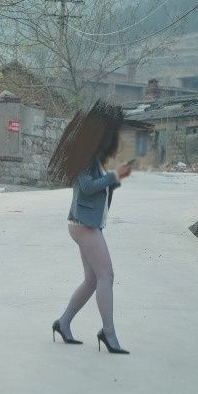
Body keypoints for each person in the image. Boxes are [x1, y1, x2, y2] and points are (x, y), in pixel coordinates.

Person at [52, 135, 132, 354]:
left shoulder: (94, 157)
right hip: (83, 224)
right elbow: (87, 187)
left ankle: (63, 323)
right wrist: (114, 175)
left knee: (92, 280)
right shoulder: (83, 156)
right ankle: (108, 333)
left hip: (87, 223)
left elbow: (99, 189)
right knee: (107, 275)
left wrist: (116, 177)